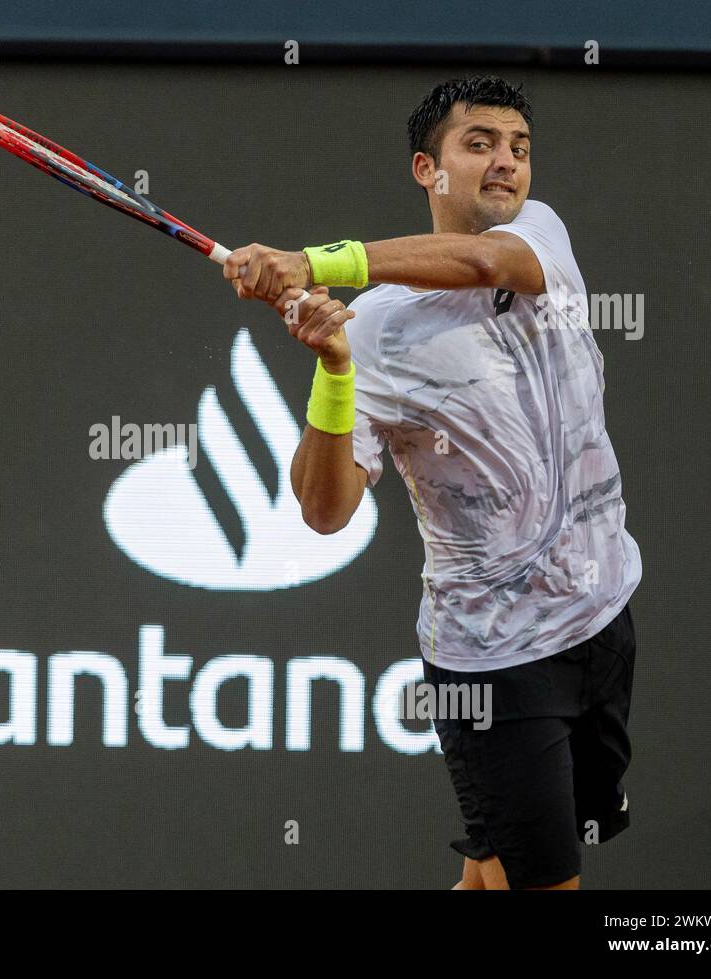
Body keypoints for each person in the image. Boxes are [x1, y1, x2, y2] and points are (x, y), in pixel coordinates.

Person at [222, 75, 641, 890]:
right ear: (427, 169)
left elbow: (482, 258)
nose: (505, 164)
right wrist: (335, 371)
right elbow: (323, 511)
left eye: (518, 148)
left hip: (604, 613)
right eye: (477, 143)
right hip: (494, 660)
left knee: (492, 873)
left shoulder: (537, 236)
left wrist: (312, 261)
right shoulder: (374, 330)